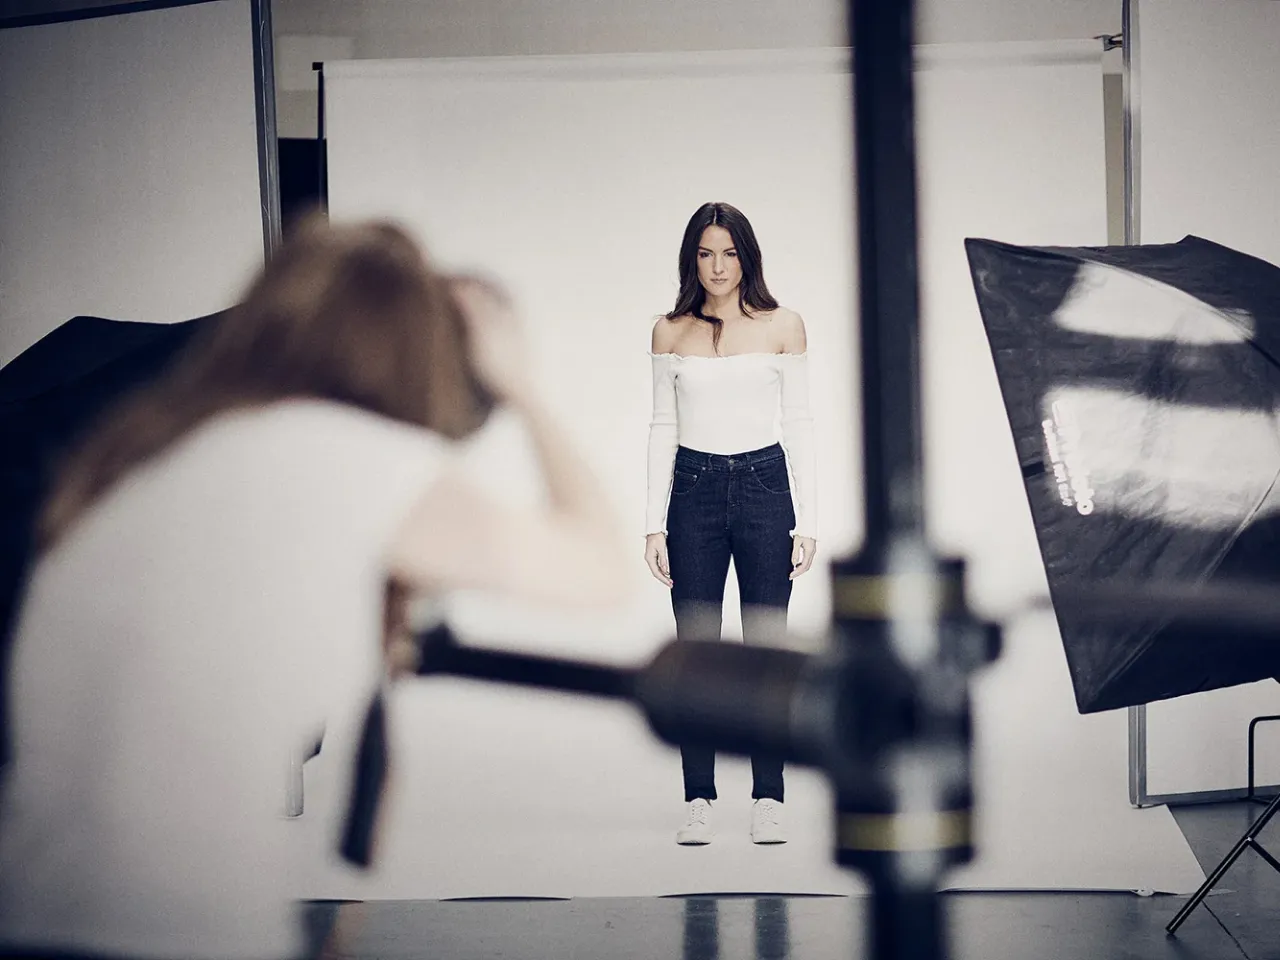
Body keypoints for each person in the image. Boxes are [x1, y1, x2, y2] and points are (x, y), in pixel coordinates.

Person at [0, 216, 630, 960]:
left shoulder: (138, 454)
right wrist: (520, 385)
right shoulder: (343, 458)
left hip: (30, 919)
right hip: (171, 933)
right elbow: (599, 568)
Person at [644, 202, 818, 847]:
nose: (718, 267)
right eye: (705, 253)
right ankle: (699, 797)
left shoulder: (783, 325)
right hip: (693, 491)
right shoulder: (669, 331)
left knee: (767, 652)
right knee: (695, 652)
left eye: (729, 253)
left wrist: (808, 520)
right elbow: (662, 426)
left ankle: (768, 795)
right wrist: (653, 524)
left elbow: (799, 423)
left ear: (747, 257)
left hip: (766, 488)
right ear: (691, 259)